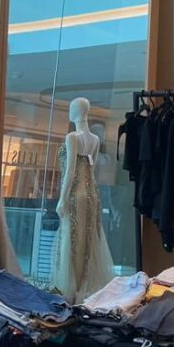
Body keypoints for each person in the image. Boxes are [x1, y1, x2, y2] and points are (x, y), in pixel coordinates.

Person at [51, 97, 114, 302]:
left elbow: (70, 170)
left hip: (75, 193)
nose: (69, 111)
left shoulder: (72, 137)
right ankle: (82, 287)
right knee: (87, 239)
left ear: (77, 112)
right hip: (91, 193)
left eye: (71, 108)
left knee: (72, 239)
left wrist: (62, 199)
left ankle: (71, 290)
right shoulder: (95, 139)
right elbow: (91, 170)